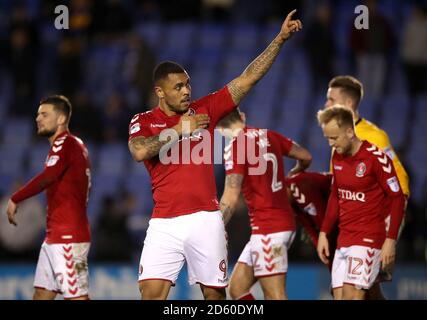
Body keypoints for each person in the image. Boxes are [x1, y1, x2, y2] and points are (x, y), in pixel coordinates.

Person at [127, 10, 303, 300]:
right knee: (150, 295)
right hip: (164, 222)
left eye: (188, 84)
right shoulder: (144, 120)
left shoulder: (206, 108)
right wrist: (180, 130)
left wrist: (280, 39)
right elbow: (140, 150)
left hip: (206, 219)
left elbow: (247, 79)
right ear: (160, 92)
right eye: (178, 87)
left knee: (215, 297)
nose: (186, 91)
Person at [324, 75, 410, 298]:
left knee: (358, 287)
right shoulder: (337, 141)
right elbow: (338, 187)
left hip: (376, 221)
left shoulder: (375, 138)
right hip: (351, 226)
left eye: (331, 100)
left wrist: (391, 229)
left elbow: (399, 183)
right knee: (364, 288)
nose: (326, 105)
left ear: (348, 104)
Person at [217, 109, 312, 300]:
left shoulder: (234, 149)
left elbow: (231, 198)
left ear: (218, 129)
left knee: (275, 296)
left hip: (269, 228)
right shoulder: (269, 135)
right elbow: (306, 156)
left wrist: (214, 228)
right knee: (237, 289)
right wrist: (293, 174)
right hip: (277, 223)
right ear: (242, 117)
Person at [5, 95, 92, 300]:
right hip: (55, 236)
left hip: (68, 237)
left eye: (44, 114)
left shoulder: (66, 143)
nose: (38, 118)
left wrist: (16, 197)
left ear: (61, 119)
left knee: (77, 297)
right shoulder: (68, 146)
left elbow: (49, 176)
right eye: (37, 114)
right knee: (42, 295)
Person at [286, 171, 388, 300]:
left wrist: (331, 265)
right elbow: (308, 225)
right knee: (367, 290)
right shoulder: (291, 199)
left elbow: (326, 224)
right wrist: (319, 246)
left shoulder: (302, 187)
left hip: (355, 220)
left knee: (364, 291)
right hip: (342, 226)